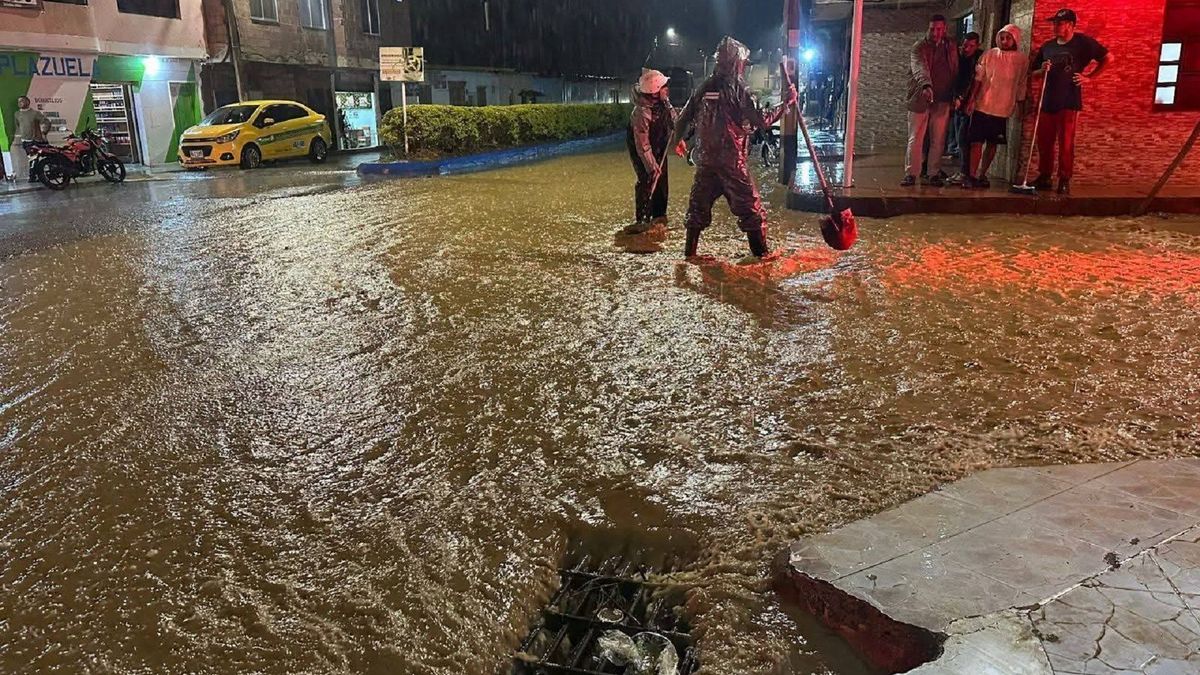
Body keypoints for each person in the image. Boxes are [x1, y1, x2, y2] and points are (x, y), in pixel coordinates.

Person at [671, 37, 797, 261]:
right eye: (743, 64)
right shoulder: (739, 88)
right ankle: (762, 256)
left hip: (707, 161)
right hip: (732, 162)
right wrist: (786, 104)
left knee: (698, 207)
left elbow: (683, 117)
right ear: (737, 63)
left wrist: (676, 141)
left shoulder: (705, 86)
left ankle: (689, 255)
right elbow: (762, 120)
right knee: (751, 208)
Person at [1030, 8, 1113, 195]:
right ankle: (1044, 176)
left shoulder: (1083, 43)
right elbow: (1033, 74)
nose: (1055, 26)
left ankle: (1064, 178)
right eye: (1054, 23)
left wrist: (1090, 77)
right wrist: (1042, 70)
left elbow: (1108, 58)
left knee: (1066, 142)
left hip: (1069, 100)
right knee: (1044, 142)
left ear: (1071, 25)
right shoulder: (1048, 47)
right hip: (1047, 99)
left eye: (1059, 23)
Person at [961, 24, 1029, 189]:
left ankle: (982, 173)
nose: (1004, 41)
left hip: (1002, 107)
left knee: (993, 143)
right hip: (983, 105)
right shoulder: (989, 54)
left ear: (1015, 39)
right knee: (976, 142)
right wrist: (972, 100)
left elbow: (1021, 84)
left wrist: (1020, 107)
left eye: (1008, 38)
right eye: (1002, 37)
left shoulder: (1021, 60)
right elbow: (979, 78)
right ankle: (971, 175)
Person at [626, 69, 684, 235]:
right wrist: (651, 165)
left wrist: (678, 140)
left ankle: (659, 217)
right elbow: (642, 145)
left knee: (662, 179)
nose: (667, 89)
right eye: (664, 87)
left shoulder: (663, 103)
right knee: (648, 178)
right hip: (640, 150)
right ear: (655, 90)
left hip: (658, 145)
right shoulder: (641, 113)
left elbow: (674, 121)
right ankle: (643, 219)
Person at [903, 14, 958, 187]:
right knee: (915, 137)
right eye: (932, 29)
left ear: (945, 29)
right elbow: (920, 67)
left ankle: (933, 172)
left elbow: (955, 68)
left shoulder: (950, 46)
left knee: (938, 139)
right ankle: (911, 173)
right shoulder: (919, 47)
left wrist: (956, 93)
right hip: (920, 97)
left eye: (939, 29)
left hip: (943, 98)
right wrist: (926, 86)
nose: (935, 32)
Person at [947, 31, 982, 184]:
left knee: (963, 138)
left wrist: (966, 100)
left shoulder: (978, 59)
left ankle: (965, 173)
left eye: (971, 46)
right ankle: (963, 171)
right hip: (957, 102)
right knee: (957, 135)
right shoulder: (958, 57)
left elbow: (973, 81)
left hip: (968, 104)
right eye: (965, 45)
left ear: (977, 46)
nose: (966, 48)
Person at [7, 96, 48, 183]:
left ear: (27, 102)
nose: (20, 103)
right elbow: (17, 126)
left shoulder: (35, 113)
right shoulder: (17, 114)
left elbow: (46, 121)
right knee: (32, 158)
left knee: (34, 159)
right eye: (18, 102)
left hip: (35, 140)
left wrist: (44, 132)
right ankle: (35, 176)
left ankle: (33, 177)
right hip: (25, 141)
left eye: (22, 101)